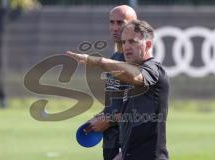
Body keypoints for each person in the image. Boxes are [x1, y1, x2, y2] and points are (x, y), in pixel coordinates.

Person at [67, 19, 169, 160]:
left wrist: (99, 61)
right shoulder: (128, 79)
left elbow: (137, 75)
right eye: (124, 42)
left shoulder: (154, 69)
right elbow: (129, 120)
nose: (126, 47)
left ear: (148, 44)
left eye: (132, 42)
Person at [84, 5, 137, 160]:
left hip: (130, 143)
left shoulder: (137, 61)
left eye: (120, 23)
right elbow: (117, 102)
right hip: (111, 141)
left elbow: (142, 110)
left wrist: (108, 120)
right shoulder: (114, 58)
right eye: (111, 22)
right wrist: (98, 119)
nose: (115, 27)